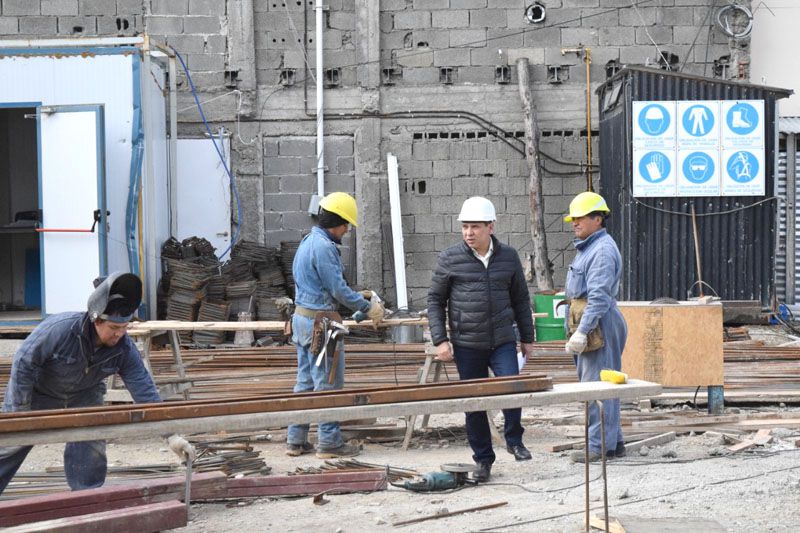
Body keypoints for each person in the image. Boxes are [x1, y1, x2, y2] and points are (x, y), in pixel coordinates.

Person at [0, 272, 166, 495]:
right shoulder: (60, 329)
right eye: (114, 329)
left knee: (91, 443)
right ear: (96, 320)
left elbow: (144, 389)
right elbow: (24, 362)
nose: (120, 334)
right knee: (11, 444)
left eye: (125, 328)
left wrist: (170, 434)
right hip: (41, 393)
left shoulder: (124, 349)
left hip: (84, 395)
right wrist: (19, 413)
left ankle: (86, 496)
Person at [427, 196, 536, 482]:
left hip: (501, 339)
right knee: (474, 403)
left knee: (511, 387)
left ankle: (514, 440)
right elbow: (435, 301)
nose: (468, 233)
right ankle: (484, 460)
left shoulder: (509, 257)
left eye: (475, 227)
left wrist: (527, 337)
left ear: (491, 227)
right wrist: (441, 340)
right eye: (464, 227)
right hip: (467, 344)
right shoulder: (451, 258)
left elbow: (521, 300)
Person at [285, 192, 385, 459]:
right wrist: (367, 307)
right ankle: (329, 443)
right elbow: (338, 289)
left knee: (304, 382)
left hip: (302, 320)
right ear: (337, 221)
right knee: (328, 384)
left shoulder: (307, 242)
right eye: (346, 225)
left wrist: (357, 303)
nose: (347, 230)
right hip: (321, 324)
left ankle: (296, 440)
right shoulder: (325, 247)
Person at [562, 192, 628, 463]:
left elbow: (598, 297)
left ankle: (599, 447)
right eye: (573, 218)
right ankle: (615, 444)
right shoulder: (589, 248)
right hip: (594, 323)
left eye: (580, 218)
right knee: (602, 386)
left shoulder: (601, 251)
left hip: (599, 324)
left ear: (597, 219)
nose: (575, 223)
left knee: (596, 388)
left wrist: (583, 331)